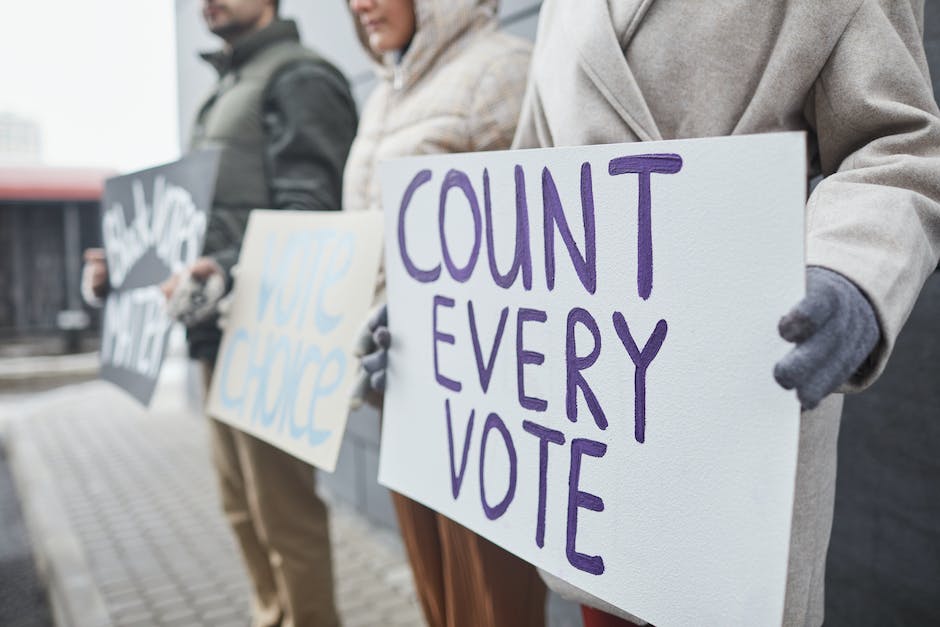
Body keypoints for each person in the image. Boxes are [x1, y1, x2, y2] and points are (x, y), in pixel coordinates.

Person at [503, 1, 940, 626]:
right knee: (606, 606)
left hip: (746, 369)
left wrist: (853, 270)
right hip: (594, 399)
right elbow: (527, 182)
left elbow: (900, 146)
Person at [83, 1, 357, 625]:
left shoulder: (301, 77)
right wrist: (124, 272)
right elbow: (198, 230)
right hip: (216, 339)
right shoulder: (224, 90)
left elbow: (316, 212)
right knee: (242, 516)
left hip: (272, 340)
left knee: (285, 524)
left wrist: (226, 268)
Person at [344, 1, 546, 626]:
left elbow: (536, 246)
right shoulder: (384, 94)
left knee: (489, 604)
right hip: (396, 386)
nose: (359, 4)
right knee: (437, 598)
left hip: (478, 402)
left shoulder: (501, 69)